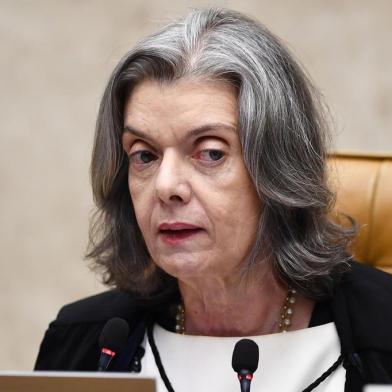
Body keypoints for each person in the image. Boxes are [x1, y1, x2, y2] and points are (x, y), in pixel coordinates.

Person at [35, 7, 392, 392]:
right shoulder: (85, 346)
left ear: (277, 168)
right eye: (144, 155)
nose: (165, 185)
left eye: (210, 153)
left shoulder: (384, 328)